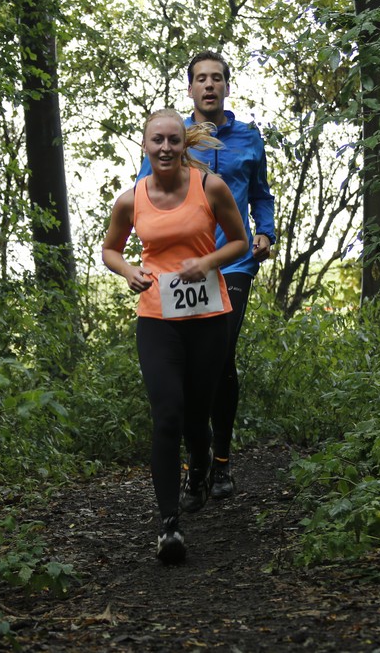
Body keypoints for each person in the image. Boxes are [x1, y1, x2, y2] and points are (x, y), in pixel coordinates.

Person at [103, 108, 249, 564]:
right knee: (167, 415)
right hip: (157, 318)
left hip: (208, 318)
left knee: (196, 416)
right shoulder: (131, 200)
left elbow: (239, 242)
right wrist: (129, 270)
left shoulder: (210, 187)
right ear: (145, 146)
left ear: (184, 144)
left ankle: (200, 463)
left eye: (173, 140)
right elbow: (110, 249)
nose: (165, 148)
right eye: (157, 141)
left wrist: (206, 263)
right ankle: (169, 526)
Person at [137, 50, 276, 501]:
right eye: (201, 78)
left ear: (227, 87)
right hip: (181, 268)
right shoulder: (173, 139)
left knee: (220, 354)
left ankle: (221, 462)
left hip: (232, 261)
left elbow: (261, 194)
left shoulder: (248, 138)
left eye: (217, 78)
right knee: (191, 363)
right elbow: (144, 193)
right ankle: (199, 453)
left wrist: (265, 232)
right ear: (190, 88)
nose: (209, 85)